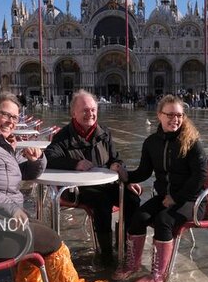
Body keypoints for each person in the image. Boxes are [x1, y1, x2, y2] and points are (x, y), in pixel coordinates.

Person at [0, 92, 107, 282]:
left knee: (39, 232)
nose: (10, 121)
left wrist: (36, 161)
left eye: (14, 117)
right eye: (4, 114)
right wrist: (9, 207)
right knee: (54, 241)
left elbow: (20, 173)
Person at [112, 94, 208, 282]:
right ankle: (133, 265)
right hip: (165, 197)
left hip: (193, 200)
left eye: (179, 115)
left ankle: (158, 274)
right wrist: (124, 175)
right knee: (139, 217)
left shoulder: (192, 142)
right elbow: (144, 172)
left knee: (164, 220)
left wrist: (176, 198)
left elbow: (200, 177)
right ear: (159, 115)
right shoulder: (151, 142)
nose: (175, 119)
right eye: (170, 114)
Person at [45, 89, 140, 266]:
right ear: (73, 112)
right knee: (102, 203)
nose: (91, 114)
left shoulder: (104, 132)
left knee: (132, 200)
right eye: (85, 110)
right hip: (76, 189)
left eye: (93, 110)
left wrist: (122, 174)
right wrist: (74, 164)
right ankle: (106, 254)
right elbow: (48, 157)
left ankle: (124, 246)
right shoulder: (63, 136)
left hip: (104, 184)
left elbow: (116, 158)